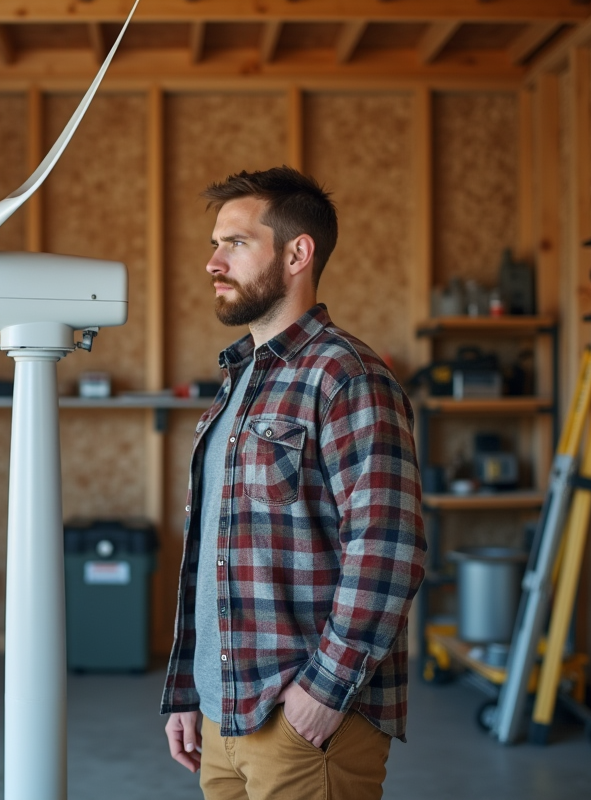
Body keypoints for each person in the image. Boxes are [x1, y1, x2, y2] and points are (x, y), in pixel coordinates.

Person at [160, 166, 426, 800]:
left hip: (304, 723)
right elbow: (213, 557)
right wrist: (188, 691)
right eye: (215, 243)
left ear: (297, 253)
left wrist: (324, 694)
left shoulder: (347, 376)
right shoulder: (237, 383)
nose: (212, 262)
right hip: (222, 718)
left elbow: (388, 551)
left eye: (235, 242)